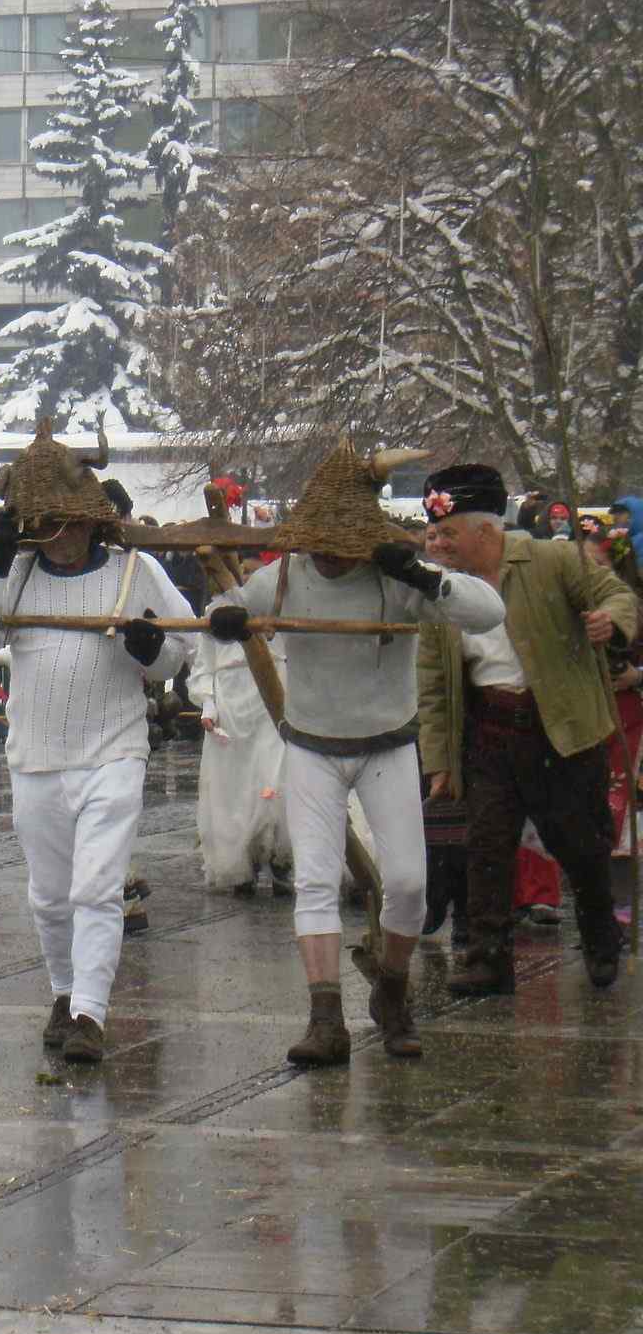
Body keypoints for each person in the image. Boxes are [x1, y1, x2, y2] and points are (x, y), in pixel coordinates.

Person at [208, 441, 504, 1063]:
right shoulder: (284, 577)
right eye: (318, 542)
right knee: (315, 882)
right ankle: (325, 1018)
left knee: (408, 885)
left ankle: (391, 991)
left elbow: (487, 612)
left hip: (387, 746)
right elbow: (224, 608)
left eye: (340, 544)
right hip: (311, 748)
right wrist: (228, 619)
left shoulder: (396, 579)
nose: (328, 554)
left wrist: (423, 574)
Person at [0, 424, 195, 1064]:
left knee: (96, 890)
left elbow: (181, 647)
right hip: (35, 756)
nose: (56, 536)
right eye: (43, 525)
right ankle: (63, 993)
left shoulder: (136, 571)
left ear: (89, 520)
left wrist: (152, 649)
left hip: (113, 751)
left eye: (66, 523)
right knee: (50, 895)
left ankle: (90, 1013)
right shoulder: (15, 574)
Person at [415, 463, 636, 997]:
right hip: (490, 734)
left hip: (561, 729)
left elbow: (619, 596)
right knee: (487, 848)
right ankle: (488, 959)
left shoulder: (552, 559)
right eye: (434, 533)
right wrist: (439, 762)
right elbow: (433, 683)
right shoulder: (439, 591)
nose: (438, 544)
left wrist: (609, 620)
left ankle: (601, 939)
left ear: (484, 531)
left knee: (580, 846)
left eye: (448, 532)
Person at [187, 576, 293, 896]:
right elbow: (203, 666)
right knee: (233, 787)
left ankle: (280, 858)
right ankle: (242, 862)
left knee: (274, 778)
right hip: (231, 702)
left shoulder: (279, 600)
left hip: (272, 695)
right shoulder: (215, 610)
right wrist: (208, 703)